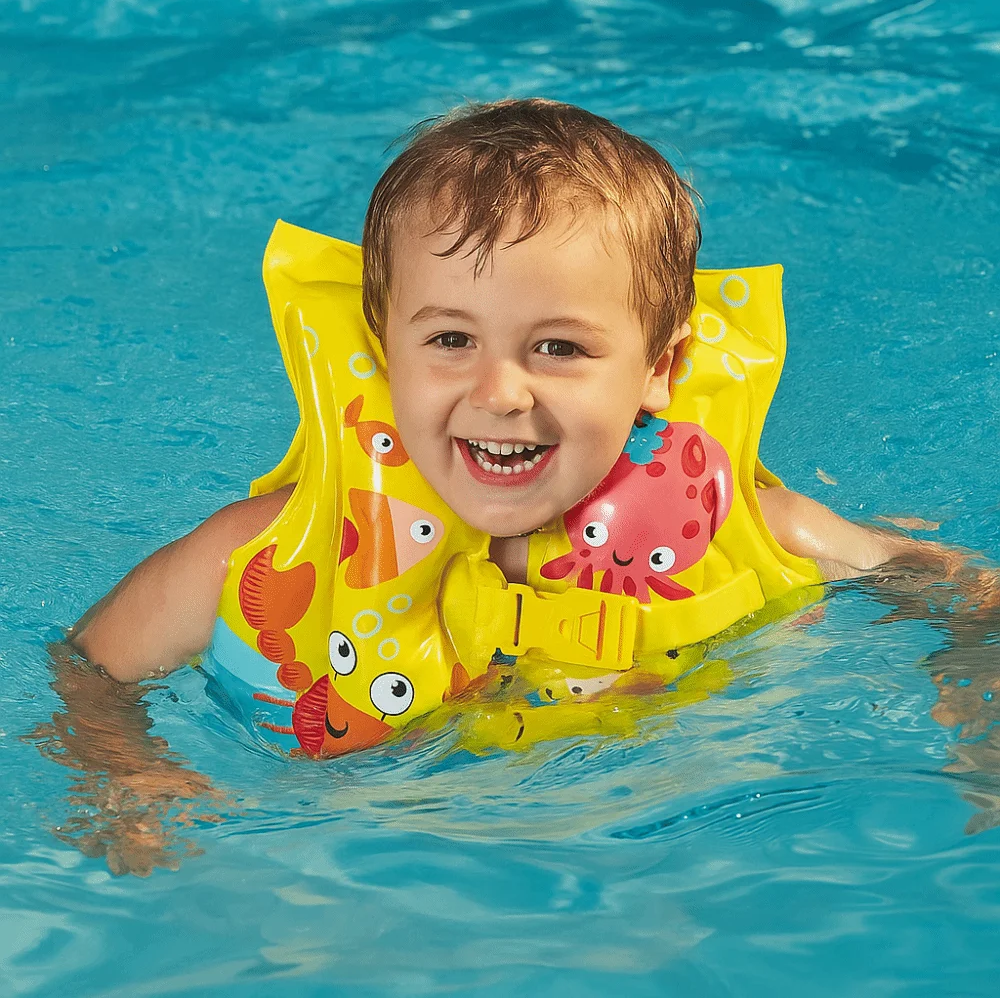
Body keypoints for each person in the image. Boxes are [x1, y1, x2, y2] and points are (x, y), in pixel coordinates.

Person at [70, 98, 952, 686]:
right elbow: (90, 671)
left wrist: (974, 695)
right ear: (386, 353)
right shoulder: (261, 553)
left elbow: (961, 590)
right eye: (451, 340)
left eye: (559, 348)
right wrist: (131, 782)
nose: (499, 392)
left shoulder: (757, 533)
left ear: (659, 370)